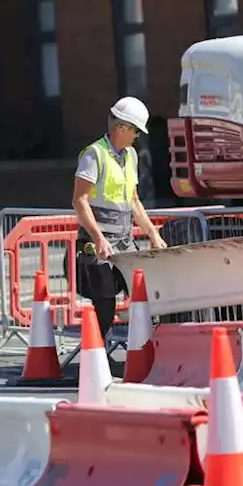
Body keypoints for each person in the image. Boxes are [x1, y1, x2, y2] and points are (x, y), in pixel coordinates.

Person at [72, 96, 167, 343]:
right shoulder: (94, 155)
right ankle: (95, 360)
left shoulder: (131, 156)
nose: (137, 136)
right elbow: (80, 200)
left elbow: (134, 201)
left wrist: (152, 233)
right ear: (122, 128)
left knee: (144, 296)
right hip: (97, 244)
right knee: (104, 305)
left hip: (124, 242)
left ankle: (148, 352)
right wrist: (98, 238)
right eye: (135, 130)